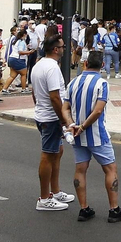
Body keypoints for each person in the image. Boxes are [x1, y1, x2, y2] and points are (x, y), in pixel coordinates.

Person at [66, 50, 121, 222]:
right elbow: (98, 111)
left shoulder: (73, 82)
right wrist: (83, 127)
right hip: (96, 134)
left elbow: (65, 108)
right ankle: (114, 209)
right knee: (110, 169)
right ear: (102, 65)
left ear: (85, 63)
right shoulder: (102, 84)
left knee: (80, 169)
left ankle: (84, 208)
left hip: (76, 135)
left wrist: (72, 125)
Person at [30, 36, 75, 211]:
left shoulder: (38, 65)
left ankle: (55, 191)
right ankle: (44, 198)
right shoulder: (52, 68)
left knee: (57, 151)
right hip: (51, 118)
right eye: (63, 46)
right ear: (56, 49)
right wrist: (64, 120)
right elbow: (55, 97)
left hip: (44, 115)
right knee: (48, 155)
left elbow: (34, 92)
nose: (64, 49)